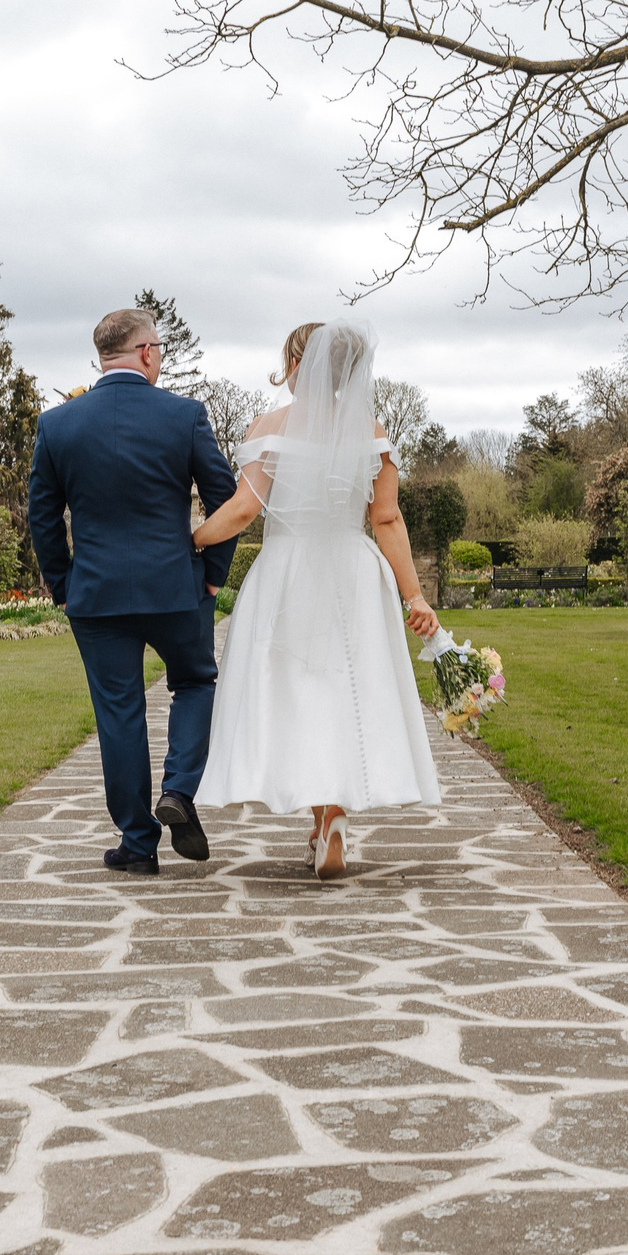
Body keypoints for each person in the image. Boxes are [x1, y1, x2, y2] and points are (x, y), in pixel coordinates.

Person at [192, 319, 441, 880]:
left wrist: (192, 540)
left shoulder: (271, 427)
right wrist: (415, 595)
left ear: (295, 365)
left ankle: (321, 816)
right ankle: (332, 820)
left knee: (302, 694)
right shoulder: (371, 433)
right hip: (354, 574)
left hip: (286, 571)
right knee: (346, 688)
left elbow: (242, 511)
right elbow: (386, 518)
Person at [27, 308, 242, 876]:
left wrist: (64, 587)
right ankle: (178, 789)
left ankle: (138, 843)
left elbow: (42, 518)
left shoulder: (58, 425)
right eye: (160, 348)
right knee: (195, 681)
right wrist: (213, 572)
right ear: (146, 352)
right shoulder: (184, 416)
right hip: (176, 588)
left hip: (95, 597)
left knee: (118, 713)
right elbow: (225, 497)